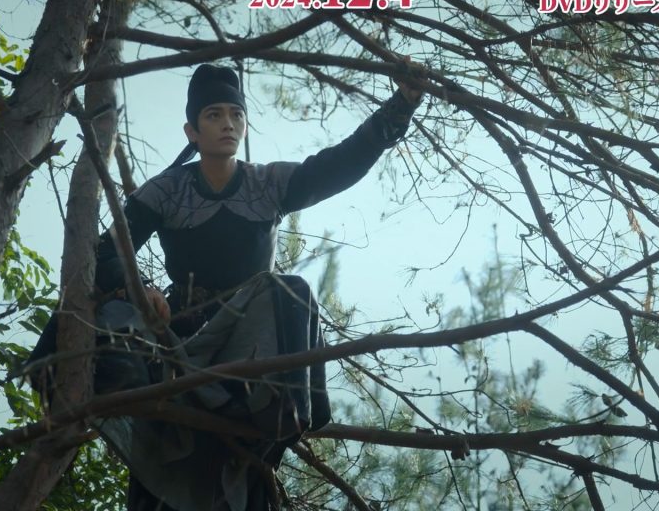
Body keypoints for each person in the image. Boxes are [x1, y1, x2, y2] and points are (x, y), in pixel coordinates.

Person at [27, 62, 424, 511]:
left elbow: (341, 164)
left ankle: (262, 414)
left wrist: (402, 104)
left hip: (247, 349)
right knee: (112, 313)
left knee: (289, 289)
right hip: (180, 348)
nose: (227, 124)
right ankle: (148, 411)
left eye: (236, 115)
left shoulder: (268, 184)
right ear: (192, 131)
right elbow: (105, 254)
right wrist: (139, 290)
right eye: (213, 115)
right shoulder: (167, 189)